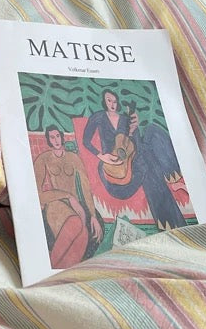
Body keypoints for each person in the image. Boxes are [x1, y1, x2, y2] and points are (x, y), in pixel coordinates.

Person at [82, 88, 186, 230]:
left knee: (152, 131)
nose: (112, 104)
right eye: (109, 100)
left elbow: (135, 146)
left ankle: (172, 179)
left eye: (114, 101)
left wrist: (133, 130)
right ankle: (172, 216)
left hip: (132, 161)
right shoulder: (98, 117)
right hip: (113, 170)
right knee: (148, 162)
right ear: (104, 101)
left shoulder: (125, 119)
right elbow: (86, 141)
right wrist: (101, 155)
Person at [33, 125, 103, 267]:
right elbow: (37, 194)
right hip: (55, 203)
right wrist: (68, 196)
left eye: (57, 136)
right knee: (75, 223)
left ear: (62, 137)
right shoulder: (43, 159)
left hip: (76, 204)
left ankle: (56, 270)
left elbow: (85, 187)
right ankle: (48, 267)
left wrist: (93, 215)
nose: (56, 140)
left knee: (84, 234)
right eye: (52, 137)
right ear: (48, 140)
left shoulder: (73, 158)